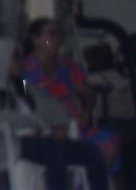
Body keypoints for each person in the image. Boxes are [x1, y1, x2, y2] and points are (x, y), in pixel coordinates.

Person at [0, 37, 107, 190]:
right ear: (0, 60)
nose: (20, 62)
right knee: (57, 154)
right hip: (15, 142)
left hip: (44, 139)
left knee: (92, 153)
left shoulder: (21, 86)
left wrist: (60, 123)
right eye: (15, 58)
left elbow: (51, 106)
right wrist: (33, 124)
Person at [22, 18, 121, 170]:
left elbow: (88, 93)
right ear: (36, 39)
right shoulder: (24, 69)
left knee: (109, 141)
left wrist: (86, 112)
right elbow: (23, 103)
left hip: (74, 128)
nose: (56, 40)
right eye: (51, 35)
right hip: (43, 132)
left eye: (58, 35)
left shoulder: (66, 66)